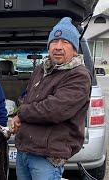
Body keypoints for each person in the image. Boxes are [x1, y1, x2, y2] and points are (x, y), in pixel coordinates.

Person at [11, 17, 91, 180]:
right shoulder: (41, 69)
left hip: (47, 156)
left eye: (65, 42)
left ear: (74, 49)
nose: (58, 47)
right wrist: (19, 114)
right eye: (54, 42)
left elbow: (54, 110)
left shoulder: (79, 75)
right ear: (48, 46)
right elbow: (28, 98)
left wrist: (21, 113)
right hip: (25, 149)